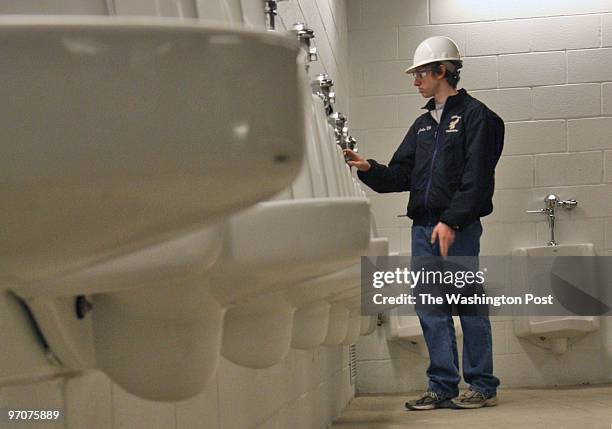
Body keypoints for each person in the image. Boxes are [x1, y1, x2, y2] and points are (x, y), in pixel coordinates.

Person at [344, 36, 503, 410]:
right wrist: (370, 169)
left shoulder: (478, 116)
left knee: (466, 303)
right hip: (423, 229)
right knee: (430, 307)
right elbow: (403, 174)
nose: (415, 81)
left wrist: (452, 221)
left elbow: (477, 177)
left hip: (457, 229)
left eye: (420, 74)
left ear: (442, 72)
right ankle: (442, 386)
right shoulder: (423, 124)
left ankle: (482, 385)